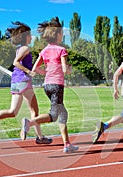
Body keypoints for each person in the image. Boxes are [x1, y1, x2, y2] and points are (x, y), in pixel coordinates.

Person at [0, 21, 52, 145]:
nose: (32, 37)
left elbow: (24, 64)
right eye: (30, 35)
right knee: (34, 111)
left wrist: (40, 71)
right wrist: (29, 71)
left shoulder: (20, 49)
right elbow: (16, 62)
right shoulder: (25, 48)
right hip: (23, 80)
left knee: (12, 112)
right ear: (25, 36)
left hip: (16, 81)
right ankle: (40, 137)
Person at [20, 17, 79, 153]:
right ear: (57, 35)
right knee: (53, 115)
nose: (63, 35)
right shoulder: (61, 50)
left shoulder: (44, 51)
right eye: (61, 33)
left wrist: (47, 71)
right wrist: (68, 69)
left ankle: (67, 144)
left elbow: (35, 69)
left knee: (63, 113)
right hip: (57, 85)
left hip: (47, 85)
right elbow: (65, 70)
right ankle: (29, 123)